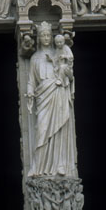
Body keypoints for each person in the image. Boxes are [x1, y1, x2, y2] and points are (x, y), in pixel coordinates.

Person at [26, 22, 78, 177]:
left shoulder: (60, 53)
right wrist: (29, 93)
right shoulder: (35, 58)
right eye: (43, 35)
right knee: (41, 130)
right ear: (38, 37)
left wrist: (62, 68)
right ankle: (38, 168)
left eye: (48, 34)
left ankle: (59, 165)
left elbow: (70, 74)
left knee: (59, 129)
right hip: (43, 97)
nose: (46, 38)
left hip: (58, 93)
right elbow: (31, 80)